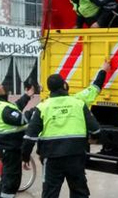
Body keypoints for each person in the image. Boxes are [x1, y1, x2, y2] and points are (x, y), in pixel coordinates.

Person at [21, 63, 110, 198]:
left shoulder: (42, 107)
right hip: (75, 156)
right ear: (64, 86)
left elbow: (30, 137)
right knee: (79, 192)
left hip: (51, 159)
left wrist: (25, 157)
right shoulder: (79, 102)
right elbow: (95, 89)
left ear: (50, 89)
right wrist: (103, 70)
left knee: (50, 193)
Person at [0, 79, 35, 198]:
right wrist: (36, 110)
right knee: (11, 183)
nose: (2, 86)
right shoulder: (2, 107)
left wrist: (27, 96)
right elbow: (21, 120)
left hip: (6, 147)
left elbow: (14, 108)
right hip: (10, 148)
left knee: (6, 179)